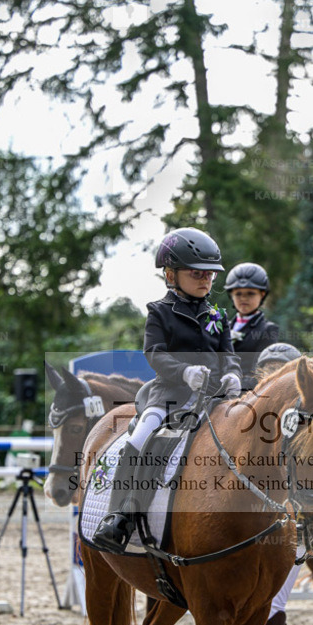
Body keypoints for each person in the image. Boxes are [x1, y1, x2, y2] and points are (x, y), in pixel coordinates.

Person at [92, 227, 241, 552]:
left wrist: (232, 375)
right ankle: (119, 516)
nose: (206, 280)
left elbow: (228, 354)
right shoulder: (159, 311)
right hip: (169, 393)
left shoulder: (217, 314)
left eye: (210, 275)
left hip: (214, 396)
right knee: (141, 436)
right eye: (197, 273)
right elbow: (154, 353)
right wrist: (185, 371)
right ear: (171, 275)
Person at [237, 342, 311, 625]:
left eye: (279, 372)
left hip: (292, 524)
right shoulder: (249, 419)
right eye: (265, 372)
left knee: (271, 606)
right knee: (263, 607)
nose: (271, 379)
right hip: (257, 523)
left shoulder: (303, 423)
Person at [224, 263, 279, 391]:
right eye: (238, 294)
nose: (243, 298)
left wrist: (234, 385)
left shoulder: (268, 330)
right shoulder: (224, 327)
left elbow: (260, 372)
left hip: (247, 394)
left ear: (262, 295)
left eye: (250, 293)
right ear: (231, 295)